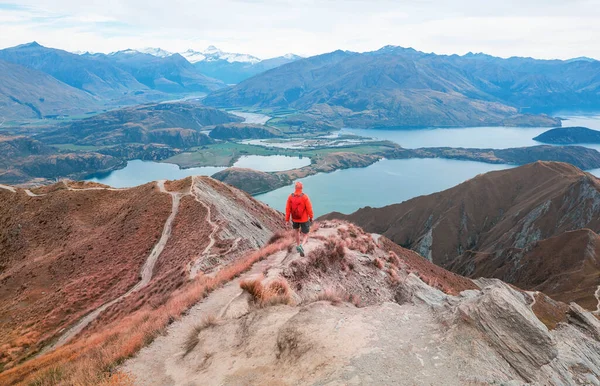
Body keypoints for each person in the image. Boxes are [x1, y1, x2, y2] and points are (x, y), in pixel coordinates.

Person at [285, 181, 314, 257]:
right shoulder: (305, 197)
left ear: (295, 188)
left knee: (296, 232)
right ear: (302, 188)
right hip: (304, 219)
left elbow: (287, 209)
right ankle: (301, 245)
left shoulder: (290, 197)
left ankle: (298, 245)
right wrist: (311, 217)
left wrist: (287, 220)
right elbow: (309, 209)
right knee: (306, 234)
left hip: (294, 219)